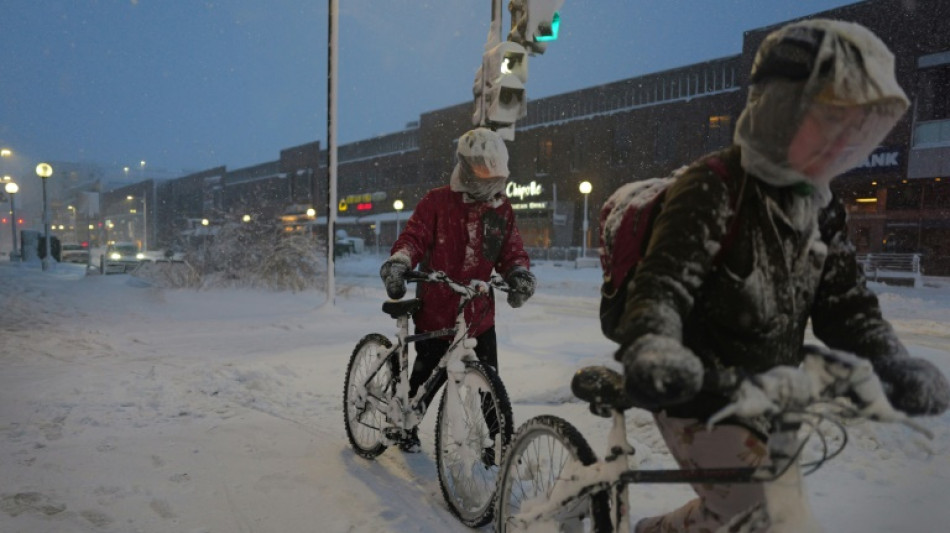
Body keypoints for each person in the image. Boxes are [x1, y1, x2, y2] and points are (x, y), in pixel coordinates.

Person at [609, 19, 950, 532]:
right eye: (829, 119)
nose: (841, 141)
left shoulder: (820, 206)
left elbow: (846, 306)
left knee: (779, 518)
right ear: (780, 110)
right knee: (755, 515)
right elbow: (662, 287)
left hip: (769, 391)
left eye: (856, 128)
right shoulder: (714, 188)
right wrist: (657, 347)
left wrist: (890, 361)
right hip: (694, 387)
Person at [379, 127, 536, 453]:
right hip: (436, 312)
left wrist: (518, 273)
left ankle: (501, 449)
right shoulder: (437, 202)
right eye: (482, 177)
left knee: (489, 387)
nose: (489, 186)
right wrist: (400, 261)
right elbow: (414, 237)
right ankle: (404, 423)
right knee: (423, 380)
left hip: (479, 316)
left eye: (494, 178)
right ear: (465, 170)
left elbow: (511, 250)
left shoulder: (501, 209)